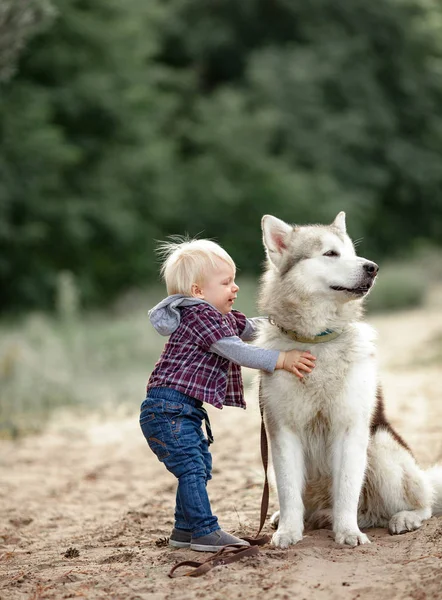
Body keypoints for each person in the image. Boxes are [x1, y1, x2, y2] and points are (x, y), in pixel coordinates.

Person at [139, 238, 316, 552]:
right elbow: (236, 350)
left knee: (198, 465)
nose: (235, 288)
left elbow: (249, 327)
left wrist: (284, 322)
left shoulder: (217, 317)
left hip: (180, 408)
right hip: (168, 409)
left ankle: (184, 530)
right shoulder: (200, 318)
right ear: (198, 292)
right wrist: (281, 360)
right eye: (226, 282)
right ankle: (205, 531)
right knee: (192, 466)